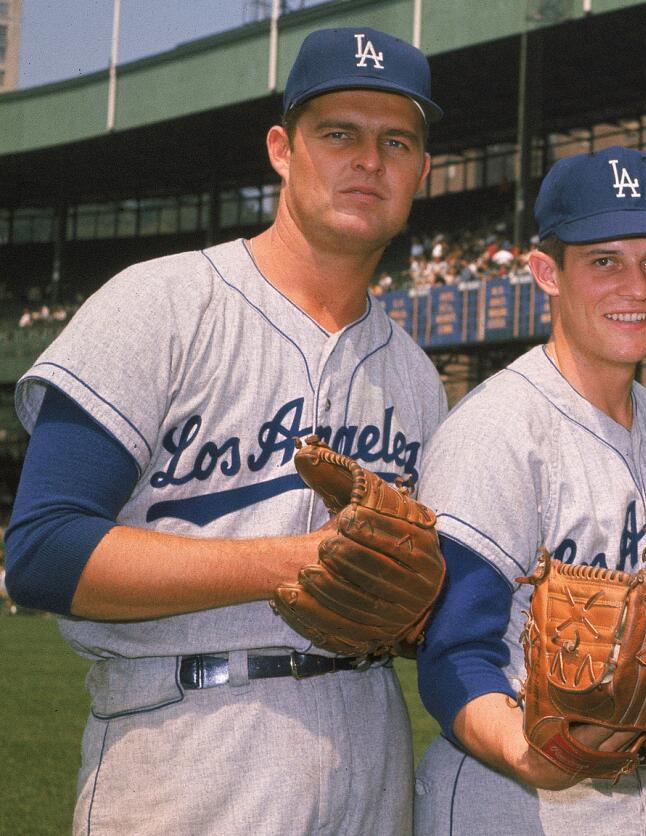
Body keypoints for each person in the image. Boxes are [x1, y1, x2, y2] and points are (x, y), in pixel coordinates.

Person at [2, 27, 447, 834]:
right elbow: (42, 550)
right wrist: (289, 563)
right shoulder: (161, 304)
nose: (368, 161)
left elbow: (414, 600)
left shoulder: (416, 377)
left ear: (422, 171)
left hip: (369, 747)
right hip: (187, 738)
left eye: (396, 141)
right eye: (338, 133)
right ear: (282, 149)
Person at [411, 147, 646, 835]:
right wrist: (529, 751)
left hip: (635, 794)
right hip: (508, 802)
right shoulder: (496, 429)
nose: (637, 286)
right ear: (547, 272)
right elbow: (453, 654)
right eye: (605, 260)